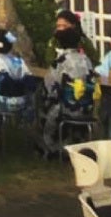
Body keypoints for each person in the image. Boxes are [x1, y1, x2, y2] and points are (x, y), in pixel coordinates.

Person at [39, 23, 97, 158]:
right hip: (86, 108)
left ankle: (51, 147)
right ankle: (77, 141)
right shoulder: (86, 60)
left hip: (66, 108)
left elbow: (50, 85)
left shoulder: (61, 61)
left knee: (43, 104)